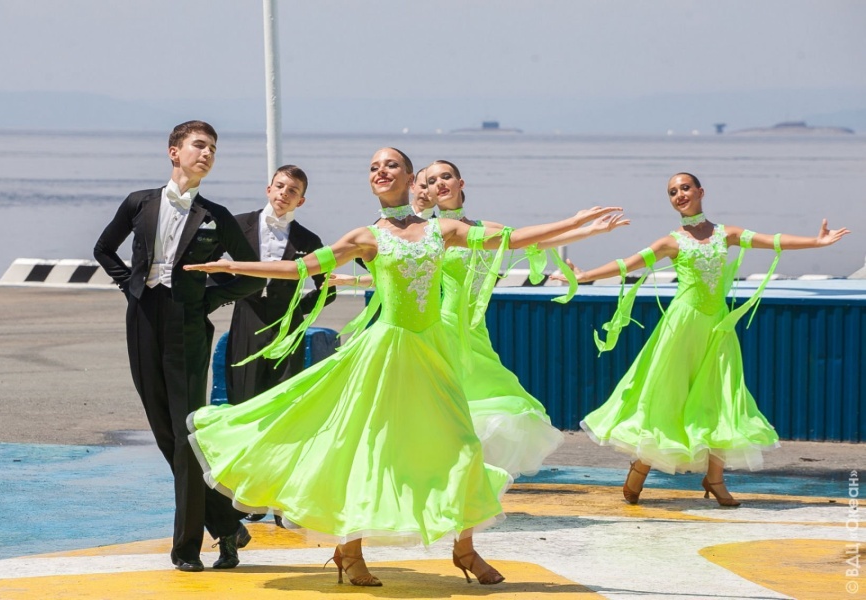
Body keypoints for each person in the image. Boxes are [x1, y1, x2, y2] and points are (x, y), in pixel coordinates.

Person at [183, 147, 619, 587]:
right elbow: (301, 269)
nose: (381, 171)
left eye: (390, 164)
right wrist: (233, 266)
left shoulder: (442, 230)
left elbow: (514, 239)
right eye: (374, 167)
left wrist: (575, 223)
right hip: (384, 354)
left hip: (432, 352)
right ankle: (350, 552)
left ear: (412, 180)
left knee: (463, 446)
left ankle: (464, 548)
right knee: (364, 450)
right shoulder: (366, 237)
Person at [553, 172, 850, 506]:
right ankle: (641, 465)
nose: (679, 194)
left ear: (700, 191)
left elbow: (773, 241)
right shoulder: (671, 242)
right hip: (681, 328)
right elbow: (627, 265)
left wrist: (817, 242)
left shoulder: (727, 234)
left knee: (720, 397)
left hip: (717, 328)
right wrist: (584, 276)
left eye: (685, 187)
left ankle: (715, 478)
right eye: (672, 191)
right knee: (666, 396)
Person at [335, 159, 628, 477]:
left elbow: (531, 241)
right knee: (441, 402)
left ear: (461, 183)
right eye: (431, 181)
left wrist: (587, 229)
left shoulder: (483, 229)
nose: (439, 184)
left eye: (446, 177)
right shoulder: (429, 233)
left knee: (495, 397)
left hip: (475, 330)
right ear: (426, 192)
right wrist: (353, 280)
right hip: (441, 326)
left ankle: (466, 472)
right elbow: (400, 277)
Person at [93, 120, 261, 572]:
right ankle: (226, 523)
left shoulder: (215, 215)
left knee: (187, 434)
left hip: (188, 324)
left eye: (213, 149)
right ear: (174, 152)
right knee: (164, 431)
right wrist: (130, 286)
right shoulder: (140, 202)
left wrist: (209, 298)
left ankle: (187, 548)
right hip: (142, 319)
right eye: (199, 145)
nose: (207, 154)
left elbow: (251, 273)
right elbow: (103, 248)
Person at [222, 165, 335, 406]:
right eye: (280, 186)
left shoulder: (308, 240)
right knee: (242, 394)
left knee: (283, 396)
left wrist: (296, 310)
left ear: (300, 201)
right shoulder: (238, 225)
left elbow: (328, 288)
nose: (284, 193)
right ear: (269, 189)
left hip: (288, 327)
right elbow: (208, 260)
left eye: (293, 190)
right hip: (246, 319)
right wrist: (226, 293)